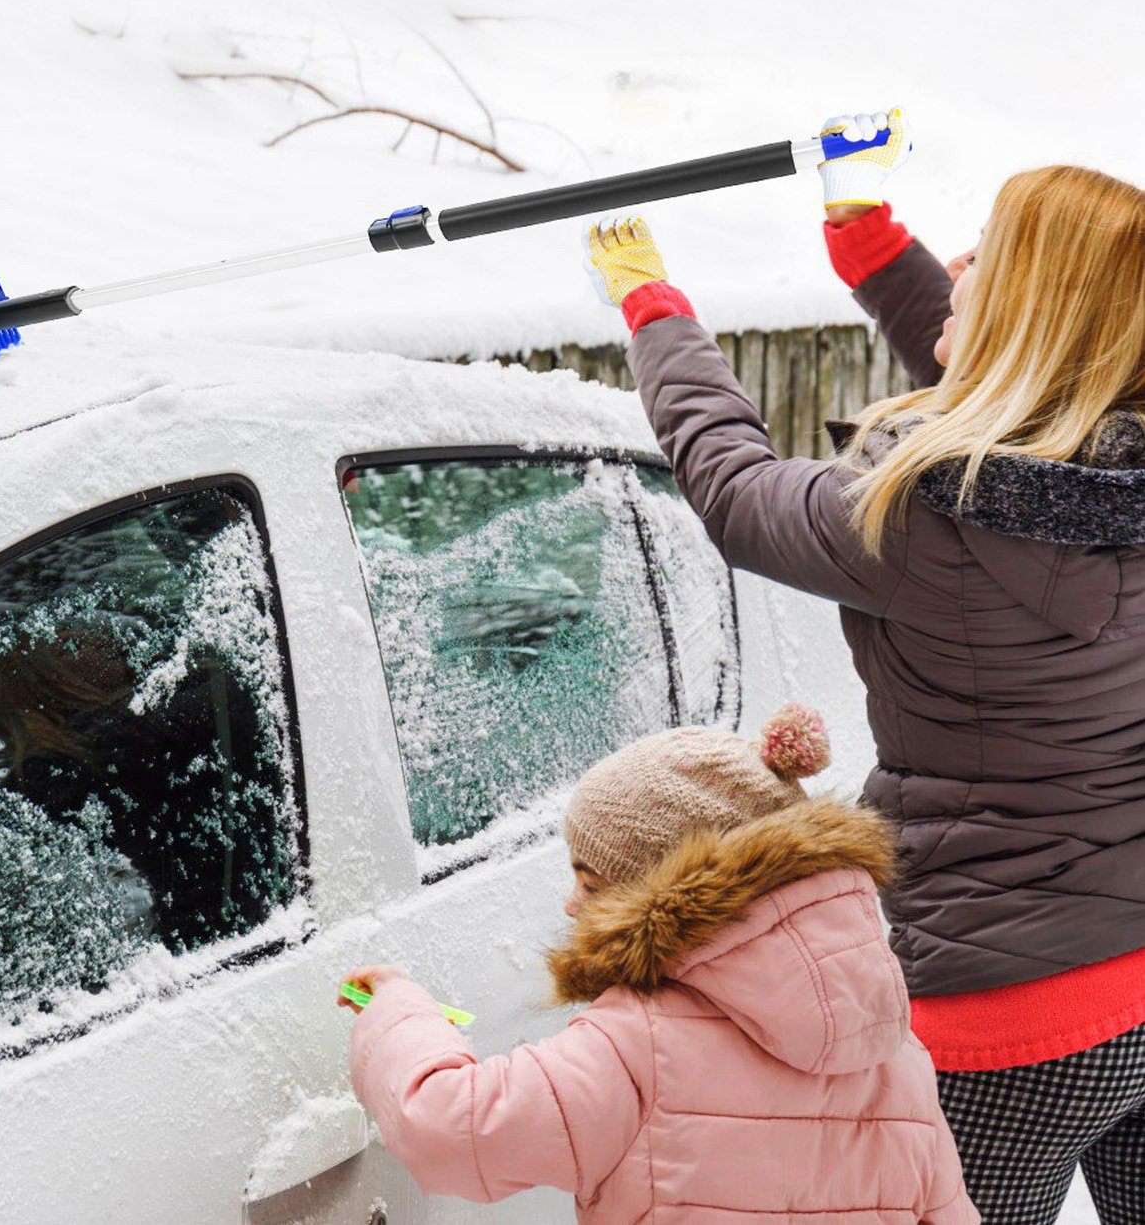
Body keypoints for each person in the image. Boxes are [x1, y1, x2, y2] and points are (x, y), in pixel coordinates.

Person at [586, 111, 1145, 1225]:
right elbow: (1027, 389)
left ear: (1029, 309)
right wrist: (867, 236)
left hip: (1003, 1024)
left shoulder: (919, 518)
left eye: (985, 249)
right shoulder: (1113, 466)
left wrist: (653, 311)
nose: (964, 264)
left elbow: (738, 494)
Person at [342, 708, 976, 1223]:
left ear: (656, 895)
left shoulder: (634, 1046)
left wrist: (400, 1009)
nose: (571, 904)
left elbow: (449, 1128)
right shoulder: (893, 1051)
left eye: (590, 884)